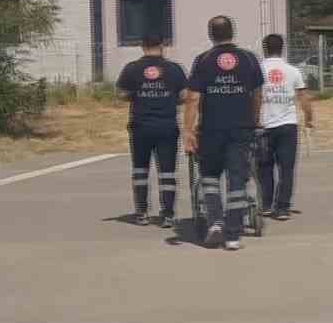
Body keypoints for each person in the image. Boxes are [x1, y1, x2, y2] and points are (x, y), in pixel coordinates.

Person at [183, 15, 264, 250]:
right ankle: (233, 236)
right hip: (241, 129)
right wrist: (254, 120)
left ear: (211, 35)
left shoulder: (203, 60)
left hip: (211, 129)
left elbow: (193, 98)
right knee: (237, 180)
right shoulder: (249, 59)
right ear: (233, 32)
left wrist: (188, 131)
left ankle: (216, 222)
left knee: (209, 177)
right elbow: (258, 94)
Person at [115, 32, 187, 227]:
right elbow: (184, 95)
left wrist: (137, 95)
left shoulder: (132, 69)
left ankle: (142, 212)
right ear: (162, 44)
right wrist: (168, 97)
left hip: (140, 126)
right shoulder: (174, 69)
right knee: (167, 172)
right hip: (167, 126)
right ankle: (168, 214)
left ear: (142, 45)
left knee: (140, 170)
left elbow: (121, 93)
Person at [255, 33, 313, 220]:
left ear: (265, 49)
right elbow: (303, 98)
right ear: (282, 48)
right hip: (288, 126)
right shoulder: (293, 71)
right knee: (286, 168)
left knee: (264, 166)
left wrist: (252, 120)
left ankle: (265, 204)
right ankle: (282, 208)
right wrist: (309, 118)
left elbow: (253, 96)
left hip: (264, 125)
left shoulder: (257, 70)